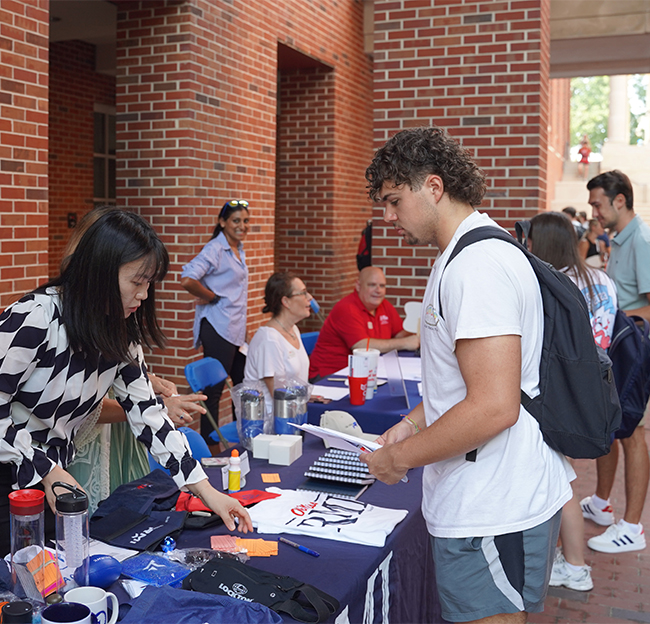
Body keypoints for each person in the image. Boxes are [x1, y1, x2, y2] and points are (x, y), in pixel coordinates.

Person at [361, 126, 572, 623]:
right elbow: (465, 382)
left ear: (433, 187)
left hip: (493, 504)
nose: (387, 216)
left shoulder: (475, 266)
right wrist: (414, 423)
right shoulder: (465, 254)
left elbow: (494, 406)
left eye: (394, 200)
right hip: (486, 499)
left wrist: (400, 459)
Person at [0, 209, 252, 556]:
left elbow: (150, 418)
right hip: (15, 475)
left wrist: (208, 492)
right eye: (137, 282)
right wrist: (45, 469)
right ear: (100, 273)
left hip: (47, 483)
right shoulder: (35, 318)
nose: (145, 295)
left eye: (149, 283)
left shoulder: (119, 335)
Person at [528, 211, 618, 591]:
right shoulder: (601, 279)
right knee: (564, 476)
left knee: (560, 480)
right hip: (597, 388)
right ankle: (572, 561)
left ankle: (574, 564)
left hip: (559, 393)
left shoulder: (552, 284)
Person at [581, 170, 650, 553]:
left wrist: (615, 320)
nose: (594, 211)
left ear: (619, 200)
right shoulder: (619, 240)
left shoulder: (641, 239)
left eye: (597, 203)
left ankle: (633, 526)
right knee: (609, 426)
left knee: (633, 435)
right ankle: (602, 504)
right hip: (617, 352)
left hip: (635, 352)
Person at [180, 200, 250, 442]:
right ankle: (210, 449)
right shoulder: (215, 249)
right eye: (236, 221)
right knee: (215, 389)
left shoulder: (237, 248)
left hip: (234, 328)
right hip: (218, 326)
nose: (242, 225)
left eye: (245, 221)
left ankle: (243, 437)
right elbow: (188, 279)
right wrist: (210, 297)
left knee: (242, 384)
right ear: (223, 222)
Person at [308, 266, 419, 381]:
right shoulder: (346, 308)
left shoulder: (384, 305)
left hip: (364, 373)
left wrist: (418, 333)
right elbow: (362, 346)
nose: (378, 290)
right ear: (358, 286)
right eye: (372, 285)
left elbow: (399, 334)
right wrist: (405, 343)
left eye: (382, 286)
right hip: (330, 376)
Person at [244, 272, 311, 413]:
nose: (309, 298)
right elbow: (280, 396)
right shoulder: (269, 339)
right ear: (286, 301)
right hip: (271, 424)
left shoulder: (293, 329)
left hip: (295, 412)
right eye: (303, 293)